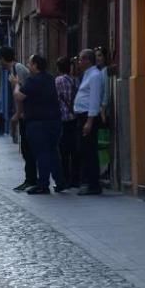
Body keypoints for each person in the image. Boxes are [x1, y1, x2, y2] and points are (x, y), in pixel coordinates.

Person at [14, 54, 64, 195]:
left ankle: (43, 184)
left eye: (30, 63)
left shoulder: (33, 80)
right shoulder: (49, 78)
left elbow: (19, 96)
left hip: (38, 123)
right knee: (53, 152)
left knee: (41, 153)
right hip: (54, 121)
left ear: (35, 65)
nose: (28, 66)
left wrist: (16, 84)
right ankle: (60, 182)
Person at [0, 46, 36, 190]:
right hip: (24, 114)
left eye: (0, 58)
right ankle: (30, 179)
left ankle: (32, 179)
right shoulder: (13, 70)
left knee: (28, 148)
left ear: (3, 58)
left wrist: (18, 113)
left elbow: (22, 92)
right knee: (25, 148)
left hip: (27, 114)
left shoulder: (18, 68)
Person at [73, 49, 104, 195]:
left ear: (87, 60)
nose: (78, 62)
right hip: (82, 117)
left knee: (89, 151)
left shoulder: (95, 76)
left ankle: (93, 184)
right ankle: (88, 182)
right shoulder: (87, 74)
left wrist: (89, 122)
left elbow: (94, 100)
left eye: (80, 60)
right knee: (83, 150)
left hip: (88, 117)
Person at [55, 57, 80, 189]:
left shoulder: (58, 81)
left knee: (63, 152)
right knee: (74, 150)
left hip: (63, 119)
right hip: (75, 118)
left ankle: (65, 178)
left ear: (59, 68)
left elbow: (56, 99)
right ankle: (75, 178)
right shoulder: (75, 80)